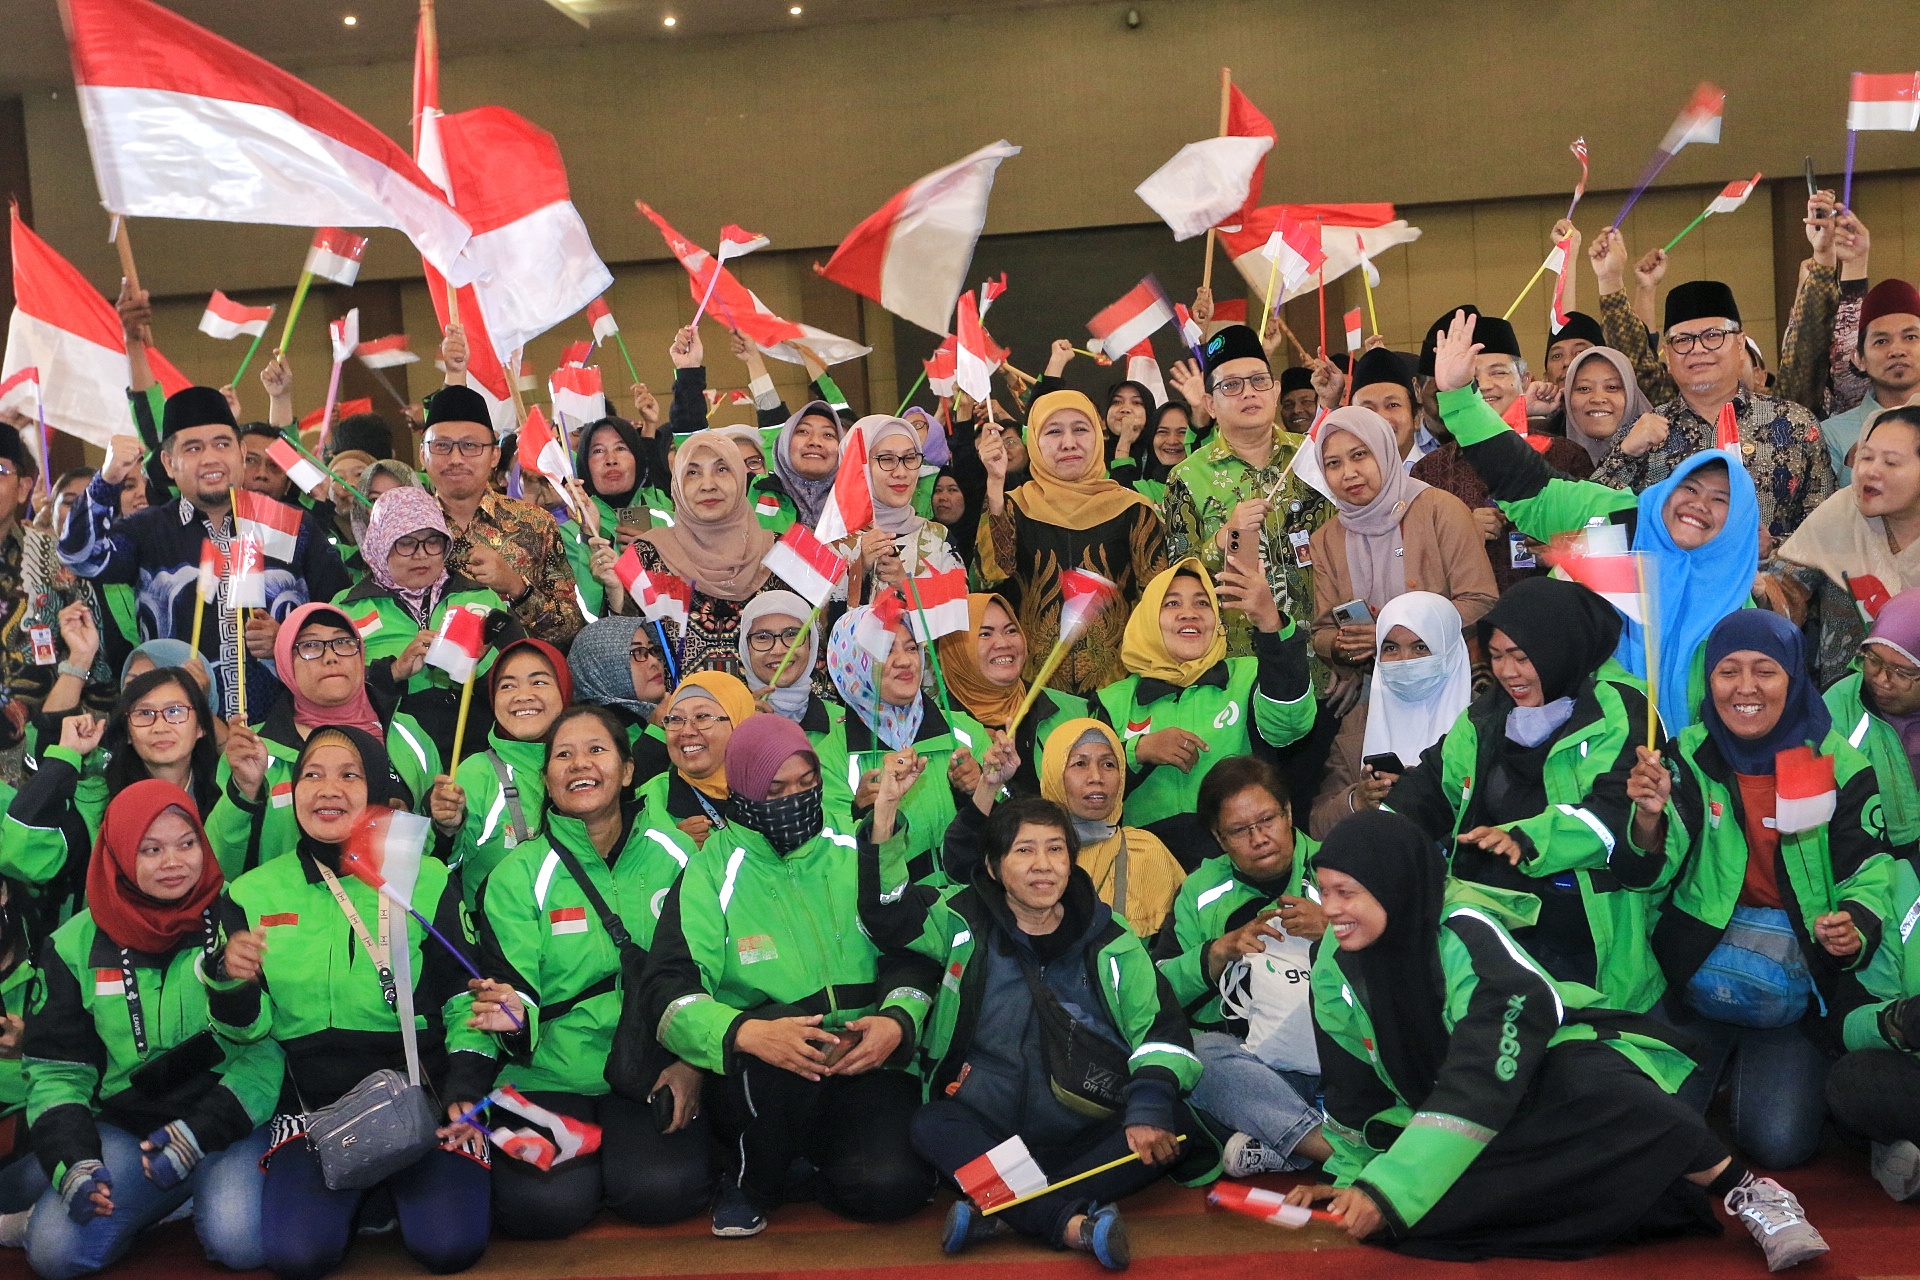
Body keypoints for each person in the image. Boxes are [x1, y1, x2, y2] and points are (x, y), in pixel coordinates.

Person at [1284, 810, 1829, 1270]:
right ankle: (1636, 1191)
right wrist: (1355, 1176)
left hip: (1533, 1079)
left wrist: (1390, 1187)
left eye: (1346, 893)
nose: (1329, 909)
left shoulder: (1466, 935)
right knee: (1402, 1221)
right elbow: (1352, 1083)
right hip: (1455, 1117)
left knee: (1604, 1088)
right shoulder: (1334, 961)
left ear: (1394, 887)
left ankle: (1748, 1191)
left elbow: (1482, 1075)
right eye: (1323, 891)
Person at [858, 769, 1206, 1269]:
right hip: (988, 1129)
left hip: (1085, 1124)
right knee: (932, 1124)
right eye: (1024, 850)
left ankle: (1006, 1212)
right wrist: (885, 816)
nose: (1043, 865)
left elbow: (1161, 1031)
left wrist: (1148, 1107)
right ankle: (1068, 1223)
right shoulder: (959, 920)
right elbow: (888, 915)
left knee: (1173, 1123)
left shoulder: (1110, 938)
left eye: (1056, 850)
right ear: (994, 867)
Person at [205, 726, 494, 1280]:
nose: (328, 789)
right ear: (294, 791)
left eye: (349, 775)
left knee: (449, 1246)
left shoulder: (424, 878)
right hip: (314, 1111)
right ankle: (370, 1200)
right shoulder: (251, 894)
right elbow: (245, 1033)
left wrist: (465, 1088)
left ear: (377, 791)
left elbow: (465, 999)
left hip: (422, 1100)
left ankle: (383, 1198)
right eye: (312, 774)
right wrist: (230, 983)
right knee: (298, 1258)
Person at [640, 715, 937, 1237]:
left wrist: (897, 1020)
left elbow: (910, 948)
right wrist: (744, 1032)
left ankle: (815, 1164)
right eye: (774, 790)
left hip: (861, 1058)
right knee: (776, 1042)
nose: (794, 799)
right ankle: (750, 1181)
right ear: (742, 792)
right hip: (768, 1069)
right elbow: (669, 992)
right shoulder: (709, 871)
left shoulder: (857, 846)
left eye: (807, 783)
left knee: (892, 1188)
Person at [1633, 610, 1893, 1169]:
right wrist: (1649, 819)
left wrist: (1853, 923)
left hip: (1797, 985)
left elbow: (1872, 870)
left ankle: (1752, 1065)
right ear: (1709, 680)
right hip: (1695, 969)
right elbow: (1654, 870)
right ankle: (1720, 1060)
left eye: (1765, 671)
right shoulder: (1686, 756)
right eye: (1728, 671)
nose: (1745, 688)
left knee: (1779, 1144)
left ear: (1794, 677)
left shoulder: (1835, 763)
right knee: (1645, 1127)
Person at [1429, 311, 1760, 729]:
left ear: (1740, 520)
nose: (1699, 505)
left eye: (1720, 500)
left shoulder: (1738, 593)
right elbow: (1521, 477)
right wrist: (1459, 396)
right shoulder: (1618, 516)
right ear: (1667, 487)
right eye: (1689, 489)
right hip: (1587, 739)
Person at [468, 705, 711, 1237]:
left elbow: (707, 972)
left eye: (597, 750)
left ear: (627, 770)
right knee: (544, 1207)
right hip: (547, 1074)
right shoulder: (515, 876)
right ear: (546, 779)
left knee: (663, 1189)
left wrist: (692, 1064)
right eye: (563, 754)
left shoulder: (677, 855)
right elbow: (517, 992)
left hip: (650, 1064)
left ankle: (620, 1163)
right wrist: (512, 1018)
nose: (580, 764)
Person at [22, 781, 276, 1279]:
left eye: (187, 843)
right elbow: (56, 1071)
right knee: (54, 1254)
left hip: (227, 1119)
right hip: (129, 1127)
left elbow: (269, 1052)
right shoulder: (72, 944)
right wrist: (74, 1159)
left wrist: (199, 1134)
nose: (173, 862)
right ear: (118, 853)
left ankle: (186, 1191)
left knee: (240, 1243)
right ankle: (164, 1194)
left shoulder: (240, 916)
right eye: (151, 849)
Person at [1383, 577, 1666, 1013]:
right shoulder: (1484, 718)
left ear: (1559, 648)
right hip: (1494, 938)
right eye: (1496, 656)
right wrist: (1373, 840)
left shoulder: (1620, 711)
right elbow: (1430, 788)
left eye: (1521, 656)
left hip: (1590, 949)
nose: (1508, 673)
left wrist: (1524, 838)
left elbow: (1615, 814)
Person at [59, 387, 352, 721]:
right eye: (193, 448)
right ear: (168, 463)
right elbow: (81, 557)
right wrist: (107, 480)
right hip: (181, 732)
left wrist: (289, 639)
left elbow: (342, 616)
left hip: (285, 729)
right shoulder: (148, 530)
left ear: (241, 452)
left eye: (222, 444)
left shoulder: (290, 524)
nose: (211, 458)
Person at [1159, 756, 1330, 1178]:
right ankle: (1327, 1147)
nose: (1259, 838)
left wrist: (1333, 930)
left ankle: (1284, 1139)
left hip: (1344, 1055)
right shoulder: (1198, 892)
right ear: (1219, 838)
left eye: (1267, 820)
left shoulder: (1338, 868)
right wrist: (1216, 954)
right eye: (1239, 830)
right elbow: (1156, 994)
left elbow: (1405, 957)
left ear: (1288, 813)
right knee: (1192, 1055)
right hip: (1258, 1068)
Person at [1585, 271, 1833, 548]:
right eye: (1683, 340)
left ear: (1740, 344)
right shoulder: (1643, 432)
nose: (1698, 349)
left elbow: (1827, 529)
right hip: (1668, 575)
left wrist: (1772, 547)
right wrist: (1626, 453)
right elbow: (1590, 521)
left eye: (1713, 335)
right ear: (1668, 354)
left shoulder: (1794, 424)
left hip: (1767, 573)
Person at [1093, 559, 1315, 865]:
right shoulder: (1112, 701)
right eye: (1171, 603)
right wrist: (1138, 751)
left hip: (1241, 862)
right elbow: (1085, 792)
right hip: (1143, 870)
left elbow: (1289, 724)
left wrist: (1269, 622)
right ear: (1146, 619)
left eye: (1202, 603)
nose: (1189, 613)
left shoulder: (1249, 676)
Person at [206, 603, 440, 877]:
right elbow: (220, 864)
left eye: (343, 642)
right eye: (310, 646)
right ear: (285, 662)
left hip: (392, 900)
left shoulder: (407, 733)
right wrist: (244, 793)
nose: (330, 657)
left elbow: (437, 850)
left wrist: (447, 827)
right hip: (285, 902)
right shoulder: (253, 749)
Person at [978, 391, 1165, 694]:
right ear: (1034, 441)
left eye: (1080, 429)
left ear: (1098, 435)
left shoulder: (1133, 509)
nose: (1068, 443)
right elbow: (990, 576)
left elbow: (1157, 600)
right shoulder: (1013, 506)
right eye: (1053, 432)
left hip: (1119, 690)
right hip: (1032, 692)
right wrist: (995, 484)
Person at [1307, 406, 1496, 701]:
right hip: (1376, 693)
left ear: (1384, 451)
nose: (1348, 473)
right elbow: (1322, 631)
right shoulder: (1327, 539)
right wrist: (1345, 647)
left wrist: (1393, 634)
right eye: (1333, 463)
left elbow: (1481, 601)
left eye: (1360, 455)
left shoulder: (1440, 510)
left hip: (1451, 685)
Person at [1163, 326, 1328, 659]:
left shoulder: (1316, 455)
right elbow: (1179, 580)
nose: (1249, 393)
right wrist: (1223, 538)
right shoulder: (1187, 477)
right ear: (1210, 404)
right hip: (1234, 664)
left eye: (1258, 381)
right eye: (1231, 385)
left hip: (1321, 655)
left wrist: (1341, 651)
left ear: (1275, 390)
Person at [4, 667, 221, 914]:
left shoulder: (229, 794)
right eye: (144, 713)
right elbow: (20, 856)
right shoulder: (96, 803)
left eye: (175, 711)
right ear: (127, 733)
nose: (160, 726)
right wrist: (65, 755)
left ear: (201, 726)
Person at [1410, 310, 1593, 595]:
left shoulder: (1566, 456)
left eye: (1498, 372)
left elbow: (1604, 537)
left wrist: (1564, 548)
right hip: (1465, 615)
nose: (1484, 385)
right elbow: (1414, 561)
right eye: (1471, 376)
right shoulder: (1429, 471)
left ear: (1525, 381)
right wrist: (1461, 532)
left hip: (1553, 609)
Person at [334, 486, 520, 755]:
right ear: (380, 545)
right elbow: (330, 688)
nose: (421, 554)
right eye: (406, 543)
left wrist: (478, 665)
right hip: (389, 748)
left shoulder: (482, 597)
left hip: (480, 749)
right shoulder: (346, 608)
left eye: (433, 542)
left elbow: (523, 674)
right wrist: (393, 672)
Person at [821, 605, 989, 886]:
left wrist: (979, 791)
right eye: (886, 651)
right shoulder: (832, 757)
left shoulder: (963, 731)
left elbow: (1010, 824)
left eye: (911, 648)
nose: (905, 661)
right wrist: (862, 814)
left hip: (973, 901)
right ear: (852, 662)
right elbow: (830, 859)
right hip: (895, 907)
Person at [420, 385, 583, 650]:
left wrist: (517, 587)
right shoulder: (408, 530)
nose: (456, 459)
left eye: (470, 446)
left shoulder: (534, 523)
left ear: (494, 455)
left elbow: (570, 629)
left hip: (519, 670)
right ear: (422, 454)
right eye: (442, 446)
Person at [1774, 404, 1920, 685]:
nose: (1870, 471)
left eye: (1890, 463)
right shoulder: (1842, 511)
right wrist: (1758, 589)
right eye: (1866, 457)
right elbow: (1785, 587)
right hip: (1844, 700)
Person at [1309, 591, 1472, 838]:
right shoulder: (1358, 723)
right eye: (1391, 648)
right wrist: (1357, 801)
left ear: (1449, 650)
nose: (1404, 660)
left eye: (1420, 647)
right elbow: (1318, 827)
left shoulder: (1482, 722)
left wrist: (1428, 797)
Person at [627, 429, 789, 677]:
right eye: (692, 473)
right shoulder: (646, 557)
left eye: (722, 469)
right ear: (677, 484)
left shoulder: (778, 554)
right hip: (678, 702)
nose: (708, 485)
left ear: (740, 476)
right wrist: (615, 596)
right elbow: (632, 651)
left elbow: (806, 643)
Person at [429, 639, 571, 905]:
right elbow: (442, 870)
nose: (523, 695)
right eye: (507, 685)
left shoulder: (586, 765)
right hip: (498, 929)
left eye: (539, 682)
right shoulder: (477, 773)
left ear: (564, 690)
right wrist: (447, 828)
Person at [1825, 853, 1920, 1202]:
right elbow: (1847, 1024)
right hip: (1911, 1068)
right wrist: (1901, 1020)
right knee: (1851, 1081)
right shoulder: (1893, 880)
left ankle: (1897, 1153)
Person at [934, 592, 1085, 799]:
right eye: (985, 634)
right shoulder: (935, 727)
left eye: (1011, 630)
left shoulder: (1074, 712)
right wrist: (972, 789)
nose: (1003, 643)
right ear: (957, 649)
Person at [1823, 586, 1920, 857]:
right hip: (1863, 857)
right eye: (1873, 660)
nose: (1881, 679)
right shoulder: (1840, 705)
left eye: (1902, 672)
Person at [634, 673, 757, 862]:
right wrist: (673, 849)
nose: (687, 731)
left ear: (739, 723)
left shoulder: (772, 791)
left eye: (702, 717)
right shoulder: (649, 800)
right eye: (676, 719)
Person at [847, 415, 961, 598]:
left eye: (910, 458)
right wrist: (858, 571)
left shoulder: (937, 537)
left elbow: (962, 608)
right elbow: (814, 613)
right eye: (886, 459)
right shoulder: (836, 539)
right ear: (859, 466)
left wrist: (910, 587)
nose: (901, 472)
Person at [1822, 279, 1920, 485]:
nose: (1897, 351)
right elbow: (1824, 503)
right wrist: (1853, 465)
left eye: (1911, 337)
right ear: (1859, 359)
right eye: (1881, 341)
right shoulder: (1831, 435)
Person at [1561, 347, 1654, 473]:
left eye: (1612, 387)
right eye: (1584, 388)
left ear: (1631, 394)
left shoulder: (1663, 458)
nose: (1598, 399)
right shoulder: (1549, 457)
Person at [755, 400, 842, 533]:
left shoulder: (858, 502)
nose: (815, 442)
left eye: (828, 435)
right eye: (803, 431)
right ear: (784, 443)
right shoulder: (758, 494)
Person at [1349, 348, 1437, 469]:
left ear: (1416, 417)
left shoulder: (1441, 472)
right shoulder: (1344, 477)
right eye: (1368, 409)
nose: (1381, 418)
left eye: (1392, 405)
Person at [1111, 402, 1192, 504]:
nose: (1172, 441)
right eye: (1162, 431)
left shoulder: (1208, 486)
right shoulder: (1142, 492)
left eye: (1183, 432)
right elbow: (1116, 501)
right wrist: (1125, 441)